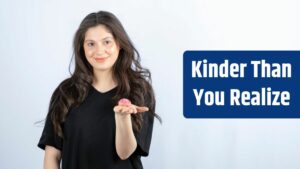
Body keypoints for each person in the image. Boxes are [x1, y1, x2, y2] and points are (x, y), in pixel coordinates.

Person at [37, 11, 161, 169]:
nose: (99, 50)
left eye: (107, 42)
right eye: (91, 44)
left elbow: (124, 153)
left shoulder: (139, 90)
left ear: (119, 44)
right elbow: (52, 154)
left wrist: (122, 118)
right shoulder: (66, 92)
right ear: (82, 48)